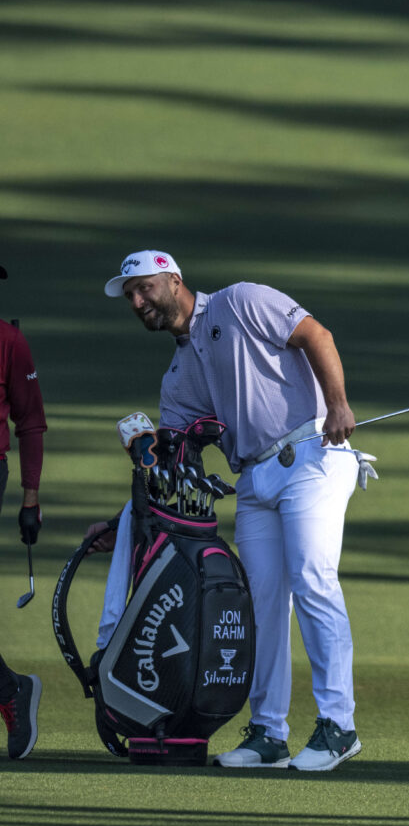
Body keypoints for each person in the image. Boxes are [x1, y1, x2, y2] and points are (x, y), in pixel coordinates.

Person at [90, 250, 370, 770]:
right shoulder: (177, 379)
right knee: (261, 604)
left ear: (173, 280)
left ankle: (339, 727)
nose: (137, 300)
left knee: (313, 578)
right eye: (129, 295)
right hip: (255, 479)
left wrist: (338, 403)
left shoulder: (241, 301)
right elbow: (168, 464)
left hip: (312, 454)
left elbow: (317, 336)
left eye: (145, 287)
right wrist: (121, 522)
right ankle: (268, 733)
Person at [0, 263, 46, 760]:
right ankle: (9, 689)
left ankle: (10, 692)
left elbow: (30, 423)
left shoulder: (9, 342)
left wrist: (30, 498)